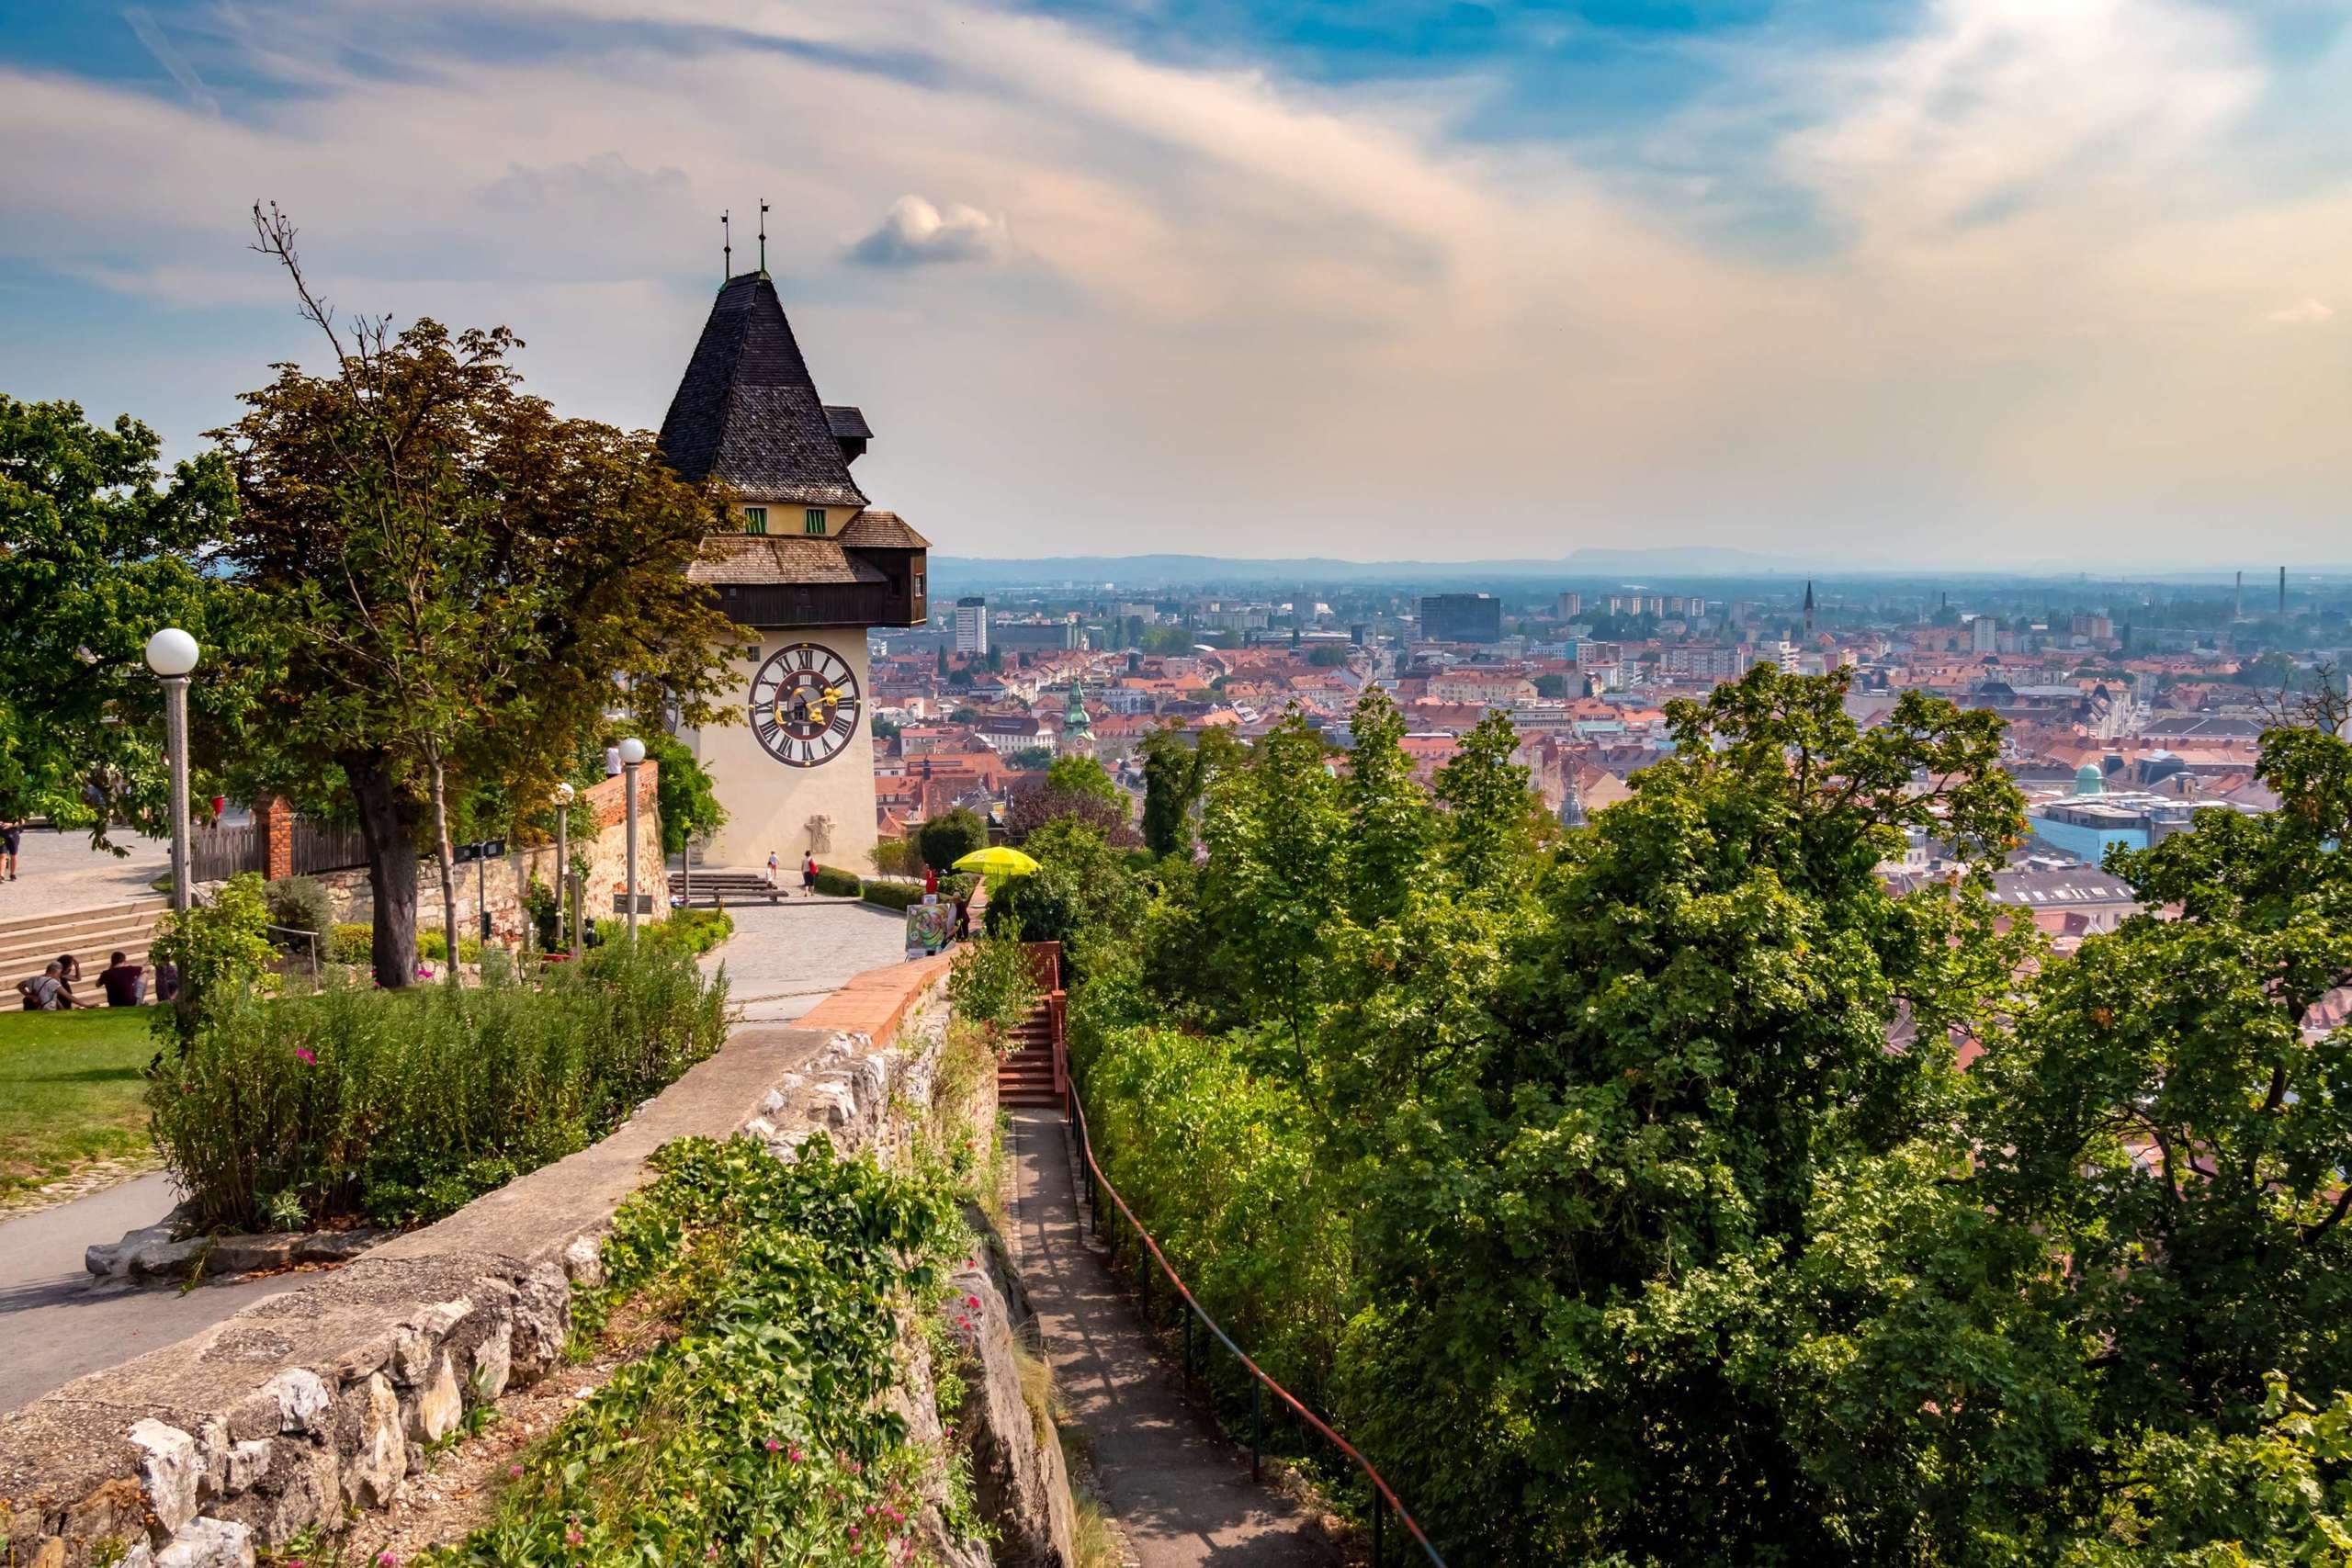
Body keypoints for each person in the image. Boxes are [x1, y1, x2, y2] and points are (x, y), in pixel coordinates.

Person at [17, 961, 81, 1010]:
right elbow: (68, 996)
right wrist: (86, 1005)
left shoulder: (37, 979)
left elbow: (54, 997)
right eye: (70, 967)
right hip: (43, 1007)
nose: (70, 969)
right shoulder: (53, 981)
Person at [0, 816, 21, 882]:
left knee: (13, 855)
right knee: (2, 855)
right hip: (1, 835)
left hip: (13, 834)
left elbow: (22, 821)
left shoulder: (15, 809)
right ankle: (1, 876)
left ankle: (12, 874)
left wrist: (10, 824)